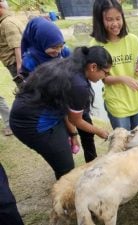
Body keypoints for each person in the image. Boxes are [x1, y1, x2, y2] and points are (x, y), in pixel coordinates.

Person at [9, 46, 111, 179]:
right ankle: (64, 196)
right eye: (106, 72)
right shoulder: (79, 85)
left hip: (31, 111)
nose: (106, 76)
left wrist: (73, 134)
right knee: (66, 168)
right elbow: (76, 120)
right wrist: (99, 131)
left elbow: (64, 109)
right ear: (93, 67)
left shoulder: (71, 65)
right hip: (31, 123)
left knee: (63, 155)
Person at [90, 0, 138, 130]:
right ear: (100, 20)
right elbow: (102, 78)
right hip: (117, 105)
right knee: (122, 143)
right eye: (109, 19)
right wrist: (123, 78)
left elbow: (136, 72)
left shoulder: (132, 40)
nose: (115, 24)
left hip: (137, 100)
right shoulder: (96, 45)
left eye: (118, 18)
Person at [0, 0, 24, 136]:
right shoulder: (10, 20)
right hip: (15, 63)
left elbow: (17, 46)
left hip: (16, 64)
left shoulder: (7, 23)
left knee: (26, 92)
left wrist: (20, 66)